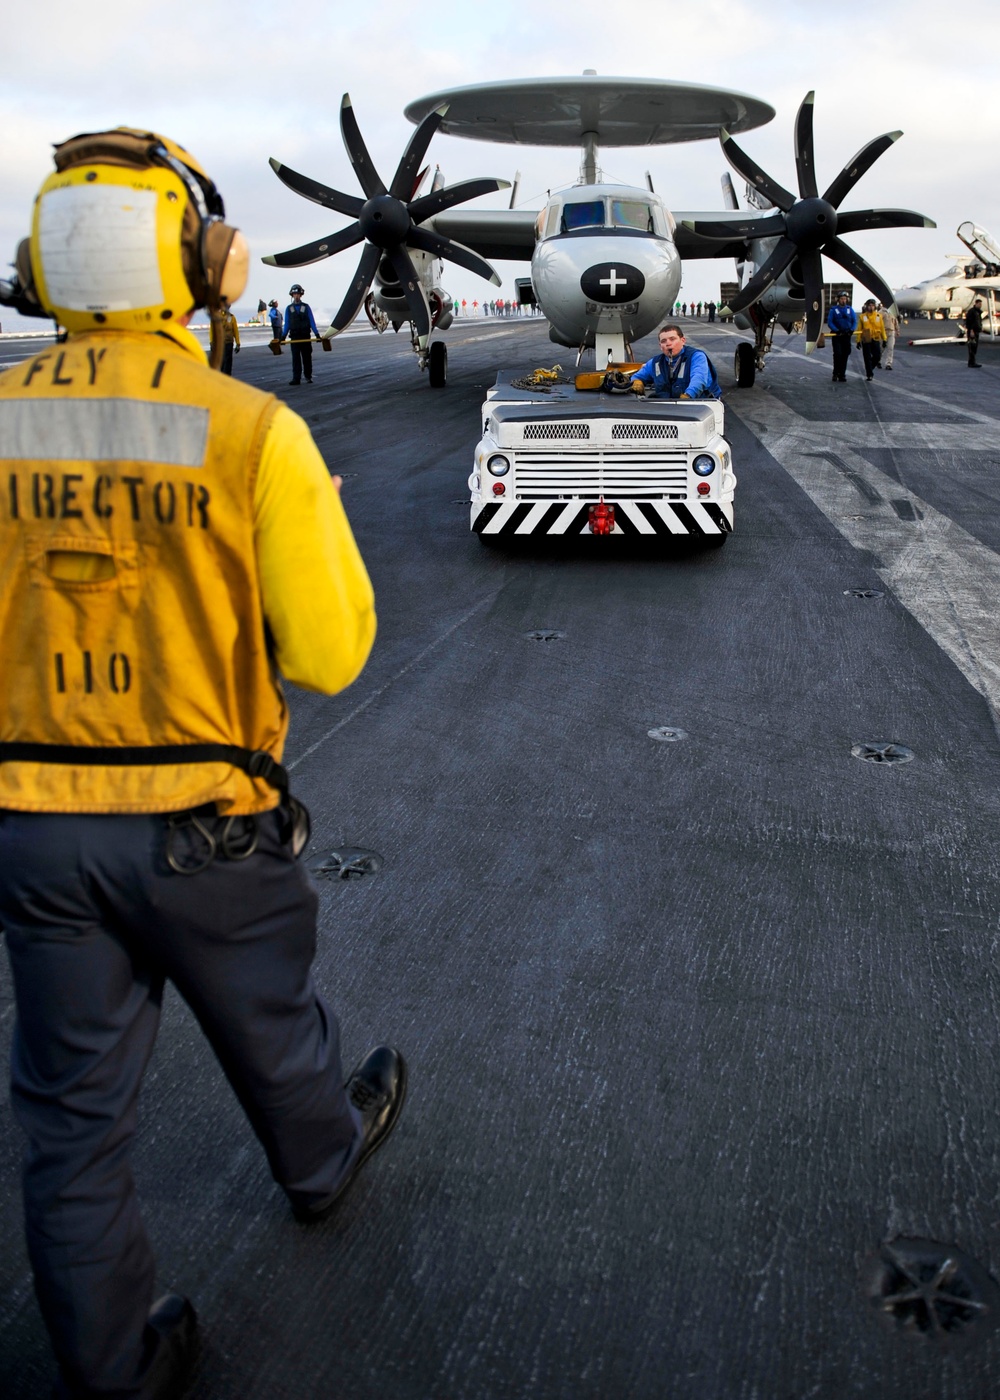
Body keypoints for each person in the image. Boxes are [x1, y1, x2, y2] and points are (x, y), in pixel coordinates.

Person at [0, 126, 406, 1400]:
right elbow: (333, 652)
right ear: (205, 261)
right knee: (274, 1027)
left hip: (32, 824)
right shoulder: (252, 430)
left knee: (70, 1122)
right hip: (207, 827)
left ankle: (118, 1365)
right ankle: (323, 1164)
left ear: (37, 266)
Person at [630, 324, 722, 399]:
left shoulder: (696, 357)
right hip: (669, 409)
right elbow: (638, 376)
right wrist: (637, 381)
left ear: (683, 341)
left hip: (700, 407)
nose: (668, 343)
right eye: (663, 341)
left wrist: (688, 395)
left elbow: (699, 379)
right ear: (660, 346)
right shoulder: (655, 362)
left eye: (672, 339)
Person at [283, 283, 320, 384]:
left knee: (307, 358)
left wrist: (317, 334)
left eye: (298, 294)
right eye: (295, 294)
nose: (296, 296)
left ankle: (308, 376)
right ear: (292, 295)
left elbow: (312, 321)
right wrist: (283, 336)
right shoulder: (288, 309)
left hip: (305, 337)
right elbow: (287, 324)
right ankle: (296, 378)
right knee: (296, 359)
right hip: (295, 337)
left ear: (301, 295)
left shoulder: (306, 307)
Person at [827, 291, 857, 382]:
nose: (843, 301)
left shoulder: (850, 309)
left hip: (846, 335)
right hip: (837, 335)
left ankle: (842, 374)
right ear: (838, 300)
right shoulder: (833, 310)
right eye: (841, 299)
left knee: (845, 355)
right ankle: (835, 373)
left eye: (845, 299)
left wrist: (852, 330)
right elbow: (830, 322)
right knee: (837, 354)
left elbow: (854, 321)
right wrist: (836, 330)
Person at [856, 299, 887, 381]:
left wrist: (884, 339)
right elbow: (859, 329)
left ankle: (870, 368)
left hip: (876, 338)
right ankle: (869, 374)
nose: (871, 307)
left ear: (875, 306)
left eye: (872, 305)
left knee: (877, 356)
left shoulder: (878, 316)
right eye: (869, 305)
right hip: (866, 339)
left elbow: (882, 328)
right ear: (866, 306)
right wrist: (858, 341)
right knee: (867, 357)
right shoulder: (862, 317)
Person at [209, 296, 240, 375]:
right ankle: (222, 376)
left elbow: (235, 330)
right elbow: (212, 330)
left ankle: (227, 376)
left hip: (229, 342)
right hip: (219, 343)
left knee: (228, 361)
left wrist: (238, 343)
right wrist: (211, 341)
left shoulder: (232, 317)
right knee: (221, 361)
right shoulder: (216, 317)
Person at [879, 302, 899, 370]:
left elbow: (895, 321)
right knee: (881, 348)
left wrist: (897, 330)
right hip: (883, 332)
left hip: (891, 331)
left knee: (890, 348)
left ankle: (888, 363)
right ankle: (878, 361)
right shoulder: (880, 312)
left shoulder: (892, 312)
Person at [965, 296, 984, 368]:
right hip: (972, 332)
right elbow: (969, 322)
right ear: (975, 304)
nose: (980, 305)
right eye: (979, 304)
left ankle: (972, 362)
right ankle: (971, 363)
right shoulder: (972, 311)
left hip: (976, 332)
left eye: (981, 304)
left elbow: (978, 321)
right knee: (972, 347)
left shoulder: (978, 312)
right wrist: (971, 331)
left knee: (975, 347)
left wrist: (980, 327)